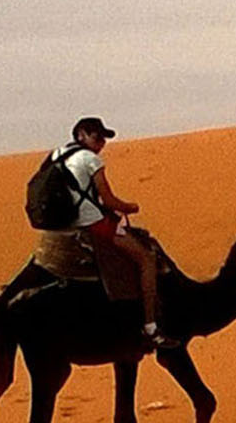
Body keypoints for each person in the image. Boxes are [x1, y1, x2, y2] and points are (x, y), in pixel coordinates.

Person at [59, 118, 166, 344]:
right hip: (93, 223)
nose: (101, 143)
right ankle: (150, 327)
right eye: (97, 137)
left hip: (66, 224)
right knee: (146, 259)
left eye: (103, 138)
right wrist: (130, 207)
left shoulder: (58, 155)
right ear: (81, 135)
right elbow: (108, 200)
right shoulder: (90, 159)